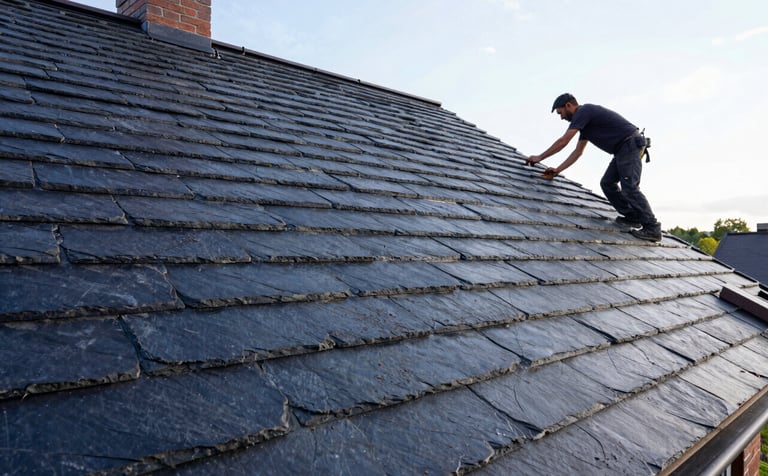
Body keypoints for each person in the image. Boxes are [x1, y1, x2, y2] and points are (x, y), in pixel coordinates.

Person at [526, 93, 662, 242]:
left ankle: (652, 228)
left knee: (629, 187)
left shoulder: (584, 112)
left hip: (629, 145)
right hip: (623, 149)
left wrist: (540, 157)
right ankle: (632, 216)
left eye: (560, 113)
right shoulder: (585, 124)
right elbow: (578, 152)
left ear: (568, 106)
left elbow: (564, 141)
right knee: (607, 183)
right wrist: (558, 170)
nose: (562, 118)